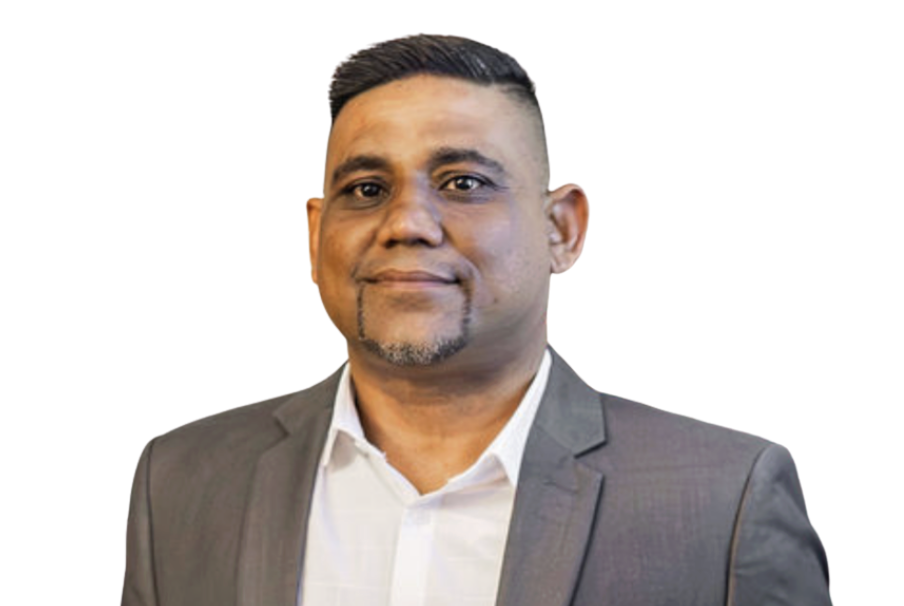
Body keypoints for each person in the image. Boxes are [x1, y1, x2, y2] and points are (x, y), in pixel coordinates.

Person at [121, 34, 831, 606]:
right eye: (366, 189)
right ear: (316, 235)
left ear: (561, 230)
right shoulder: (183, 480)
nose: (406, 223)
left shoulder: (724, 500)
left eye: (463, 183)